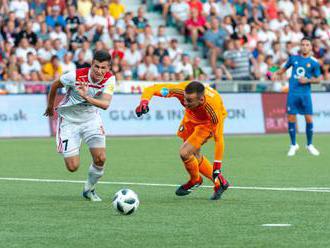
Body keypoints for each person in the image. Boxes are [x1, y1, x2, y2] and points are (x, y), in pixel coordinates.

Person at [135, 81, 229, 200]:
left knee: (185, 152)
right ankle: (220, 183)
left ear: (201, 100)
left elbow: (219, 139)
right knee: (194, 153)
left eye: (189, 100)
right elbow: (151, 89)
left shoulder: (212, 108)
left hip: (207, 124)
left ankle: (195, 180)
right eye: (184, 98)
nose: (185, 102)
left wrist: (217, 167)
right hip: (190, 117)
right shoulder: (180, 90)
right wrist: (144, 102)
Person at [44, 50, 116, 201]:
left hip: (91, 120)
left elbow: (105, 104)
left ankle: (89, 189)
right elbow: (54, 85)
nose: (99, 71)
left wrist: (86, 97)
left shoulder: (110, 79)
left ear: (108, 68)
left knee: (101, 158)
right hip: (69, 122)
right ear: (92, 64)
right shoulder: (75, 76)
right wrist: (50, 106)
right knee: (72, 167)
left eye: (103, 68)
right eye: (96, 66)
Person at [272, 37, 321, 156]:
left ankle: (309, 145)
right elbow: (282, 70)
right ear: (300, 46)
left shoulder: (314, 63)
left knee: (309, 119)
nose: (304, 46)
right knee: (291, 118)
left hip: (305, 95)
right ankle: (293, 145)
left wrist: (307, 80)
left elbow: (319, 79)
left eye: (307, 45)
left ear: (310, 47)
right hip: (293, 94)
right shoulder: (293, 59)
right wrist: (274, 72)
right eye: (303, 44)